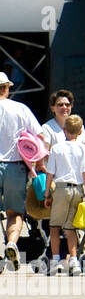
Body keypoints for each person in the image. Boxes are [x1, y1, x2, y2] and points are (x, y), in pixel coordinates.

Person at [1, 71, 42, 270]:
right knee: (14, 213)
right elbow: (40, 135)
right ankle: (11, 243)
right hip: (15, 167)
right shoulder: (20, 108)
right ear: (7, 88)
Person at [45, 114, 85, 275]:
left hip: (60, 189)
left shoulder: (57, 148)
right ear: (80, 132)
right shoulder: (84, 148)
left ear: (64, 130)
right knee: (71, 227)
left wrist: (47, 195)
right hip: (77, 189)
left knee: (54, 226)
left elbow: (50, 174)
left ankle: (56, 260)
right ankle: (74, 261)